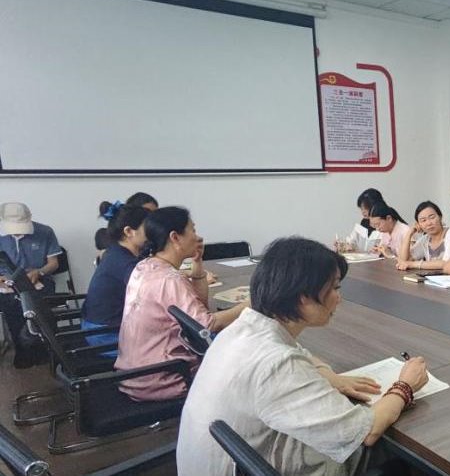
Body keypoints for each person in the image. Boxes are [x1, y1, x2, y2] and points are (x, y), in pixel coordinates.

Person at [177, 237, 428, 476]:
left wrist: (330, 376)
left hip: (227, 462)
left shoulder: (244, 328)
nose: (339, 298)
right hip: (247, 466)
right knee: (394, 450)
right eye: (335, 288)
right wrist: (405, 386)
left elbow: (298, 352)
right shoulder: (277, 364)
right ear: (303, 298)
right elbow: (366, 432)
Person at [115, 207, 248, 401]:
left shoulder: (145, 267)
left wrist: (198, 267)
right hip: (164, 378)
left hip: (134, 375)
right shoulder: (169, 279)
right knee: (245, 362)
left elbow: (198, 312)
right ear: (175, 237)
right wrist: (248, 305)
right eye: (193, 230)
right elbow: (206, 326)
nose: (198, 237)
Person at [81, 204, 150, 355]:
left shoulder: (115, 251)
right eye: (148, 228)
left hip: (97, 327)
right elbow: (152, 292)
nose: (153, 232)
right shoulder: (124, 262)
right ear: (129, 231)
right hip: (106, 336)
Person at [0, 202, 61, 368]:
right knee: (11, 304)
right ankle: (22, 351)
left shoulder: (45, 232)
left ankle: (45, 350)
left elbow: (53, 263)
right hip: (7, 285)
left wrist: (39, 272)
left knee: (39, 305)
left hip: (39, 281)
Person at [395, 201, 450, 271]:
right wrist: (409, 233)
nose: (429, 223)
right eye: (423, 220)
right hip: (435, 277)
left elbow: (447, 263)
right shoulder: (425, 240)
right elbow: (403, 260)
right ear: (419, 224)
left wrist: (413, 264)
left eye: (432, 217)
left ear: (440, 217)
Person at [338, 188, 384, 253]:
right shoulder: (364, 222)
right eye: (361, 209)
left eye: (365, 208)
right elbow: (351, 241)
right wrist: (344, 245)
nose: (363, 212)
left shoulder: (385, 224)